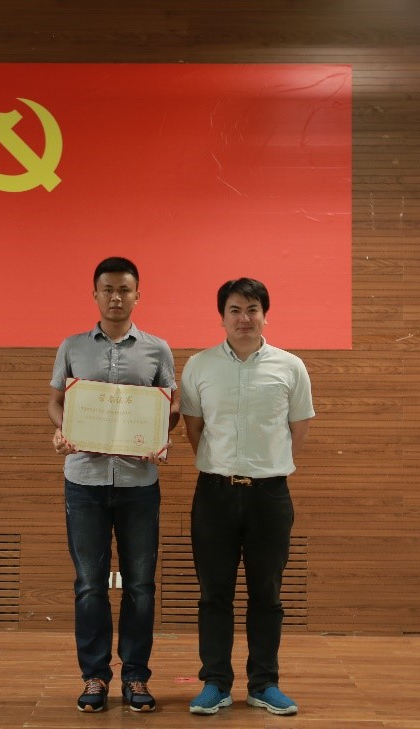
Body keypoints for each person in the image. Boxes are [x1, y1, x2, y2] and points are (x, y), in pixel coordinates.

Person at [48, 256, 180, 713]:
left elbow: (170, 407)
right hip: (83, 481)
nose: (116, 297)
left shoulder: (157, 349)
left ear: (137, 295)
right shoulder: (72, 346)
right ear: (95, 294)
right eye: (108, 289)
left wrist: (160, 435)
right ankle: (95, 676)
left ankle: (136, 676)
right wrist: (63, 429)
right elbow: (55, 401)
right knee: (89, 584)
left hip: (138, 483)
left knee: (141, 585)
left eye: (125, 289)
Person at [180, 277, 314, 717]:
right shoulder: (199, 366)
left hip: (269, 496)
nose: (244, 318)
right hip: (214, 494)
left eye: (252, 309)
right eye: (235, 310)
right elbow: (195, 429)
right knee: (213, 593)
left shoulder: (290, 367)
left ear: (264, 315)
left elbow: (298, 428)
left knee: (267, 593)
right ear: (222, 316)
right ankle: (215, 683)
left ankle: (264, 683)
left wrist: (266, 467)